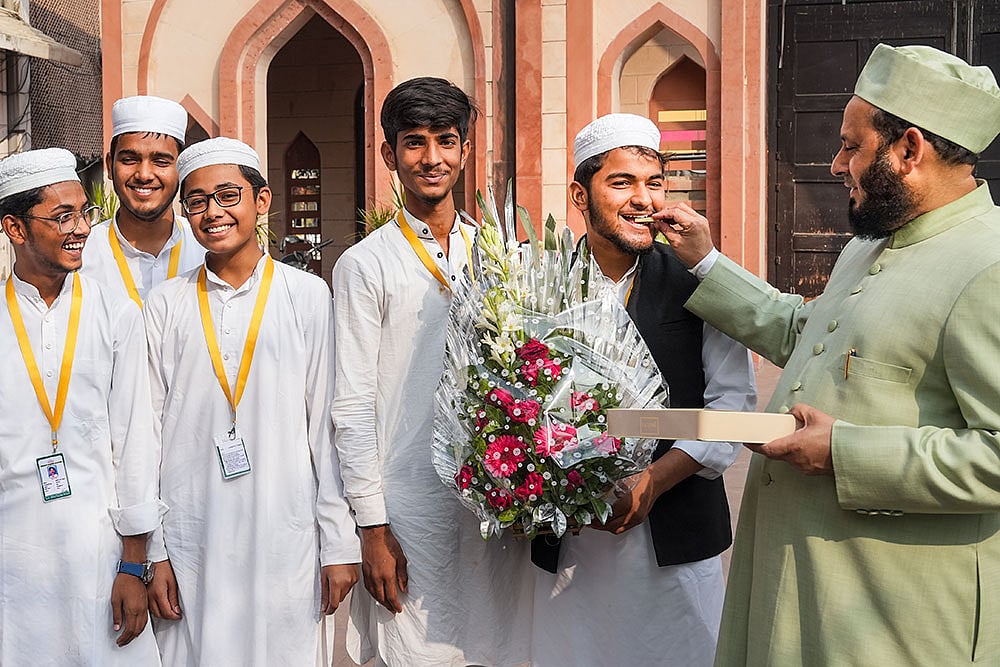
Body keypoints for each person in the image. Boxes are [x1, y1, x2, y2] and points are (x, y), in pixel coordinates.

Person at [658, 44, 1000, 665]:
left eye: (851, 146)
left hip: (898, 617)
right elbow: (807, 336)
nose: (837, 165)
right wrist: (705, 261)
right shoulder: (870, 246)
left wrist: (842, 451)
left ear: (909, 149)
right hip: (801, 589)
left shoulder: (988, 266)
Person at [527, 114, 756, 666]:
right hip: (572, 550)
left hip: (675, 547)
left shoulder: (700, 281)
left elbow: (733, 407)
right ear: (580, 196)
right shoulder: (536, 286)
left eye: (654, 183)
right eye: (622, 182)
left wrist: (654, 481)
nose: (643, 199)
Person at [332, 76, 531, 666]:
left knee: (497, 647)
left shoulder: (499, 252)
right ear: (389, 154)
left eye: (446, 140)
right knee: (416, 653)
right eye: (414, 142)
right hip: (409, 506)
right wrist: (372, 526)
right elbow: (353, 402)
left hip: (493, 501)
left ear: (465, 150)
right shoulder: (365, 264)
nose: (432, 158)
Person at [143, 137, 360, 665]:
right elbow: (144, 432)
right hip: (193, 534)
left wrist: (337, 542)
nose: (213, 212)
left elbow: (324, 426)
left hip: (284, 532)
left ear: (261, 201)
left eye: (227, 196)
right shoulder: (166, 303)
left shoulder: (306, 295)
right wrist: (153, 551)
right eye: (197, 201)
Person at [0, 147, 162, 664]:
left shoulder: (115, 312)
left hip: (98, 554)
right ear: (15, 228)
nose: (82, 229)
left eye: (84, 213)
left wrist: (133, 564)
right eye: (63, 216)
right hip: (13, 558)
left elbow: (134, 441)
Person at [81, 95, 203, 306]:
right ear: (109, 165)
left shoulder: (204, 250)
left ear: (182, 169)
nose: (144, 175)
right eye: (129, 160)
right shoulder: (82, 255)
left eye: (160, 161)